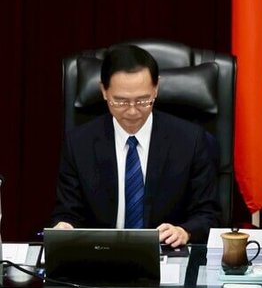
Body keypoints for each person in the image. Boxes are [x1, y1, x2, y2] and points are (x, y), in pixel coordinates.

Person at [50, 44, 219, 247]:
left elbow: (208, 213)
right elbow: (68, 212)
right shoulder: (79, 143)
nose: (132, 111)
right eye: (121, 101)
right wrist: (64, 226)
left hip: (165, 251)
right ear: (104, 91)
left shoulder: (191, 140)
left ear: (156, 88)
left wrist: (185, 231)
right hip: (100, 253)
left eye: (143, 100)